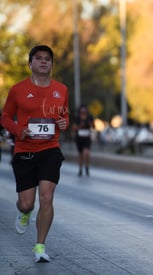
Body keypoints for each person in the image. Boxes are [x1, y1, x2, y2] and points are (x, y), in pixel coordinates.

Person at [0, 45, 69, 263]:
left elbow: (64, 117)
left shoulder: (62, 90)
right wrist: (18, 129)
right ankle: (24, 212)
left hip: (50, 149)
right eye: (38, 58)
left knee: (46, 197)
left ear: (51, 64)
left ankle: (40, 246)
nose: (43, 62)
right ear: (30, 63)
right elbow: (5, 118)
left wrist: (65, 122)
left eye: (47, 59)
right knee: (27, 203)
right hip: (25, 150)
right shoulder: (18, 89)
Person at [72, 104, 95, 176]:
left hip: (87, 138)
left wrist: (90, 124)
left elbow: (93, 126)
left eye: (84, 110)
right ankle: (80, 169)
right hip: (79, 138)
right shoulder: (77, 118)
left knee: (86, 153)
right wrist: (80, 126)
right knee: (80, 154)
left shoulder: (89, 117)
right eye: (82, 110)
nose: (83, 112)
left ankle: (87, 167)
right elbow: (74, 128)